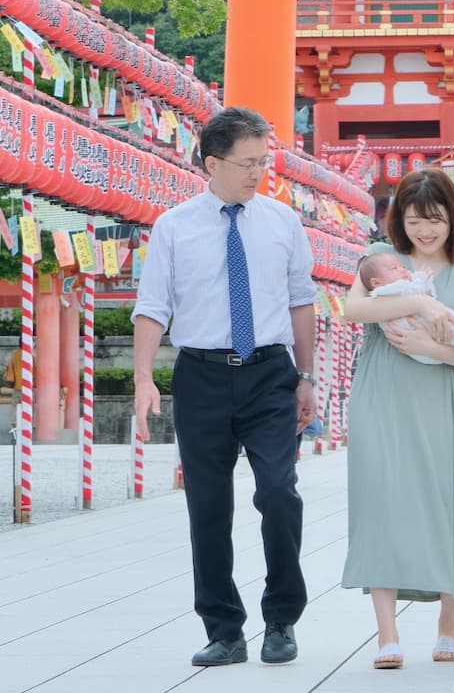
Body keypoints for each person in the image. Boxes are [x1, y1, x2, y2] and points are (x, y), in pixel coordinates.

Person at [132, 107, 318, 668]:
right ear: (212, 162)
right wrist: (144, 376)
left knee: (278, 493)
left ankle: (282, 617)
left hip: (270, 374)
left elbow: (301, 300)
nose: (258, 172)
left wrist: (306, 377)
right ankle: (224, 629)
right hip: (202, 374)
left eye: (264, 161)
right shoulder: (174, 226)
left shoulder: (283, 222)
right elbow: (152, 306)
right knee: (208, 508)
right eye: (247, 162)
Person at [341, 167, 454, 670]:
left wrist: (432, 345)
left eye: (435, 218)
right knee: (381, 502)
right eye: (414, 219)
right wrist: (420, 302)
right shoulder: (380, 264)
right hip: (382, 395)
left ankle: (449, 622)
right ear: (398, 220)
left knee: (448, 501)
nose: (425, 230)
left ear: (453, 219)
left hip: (441, 397)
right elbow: (352, 311)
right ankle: (387, 634)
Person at [357, 252, 454, 364]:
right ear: (376, 282)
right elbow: (351, 311)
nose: (402, 270)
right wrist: (421, 281)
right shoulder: (385, 290)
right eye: (394, 268)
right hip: (410, 329)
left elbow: (423, 293)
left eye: (402, 266)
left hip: (424, 341)